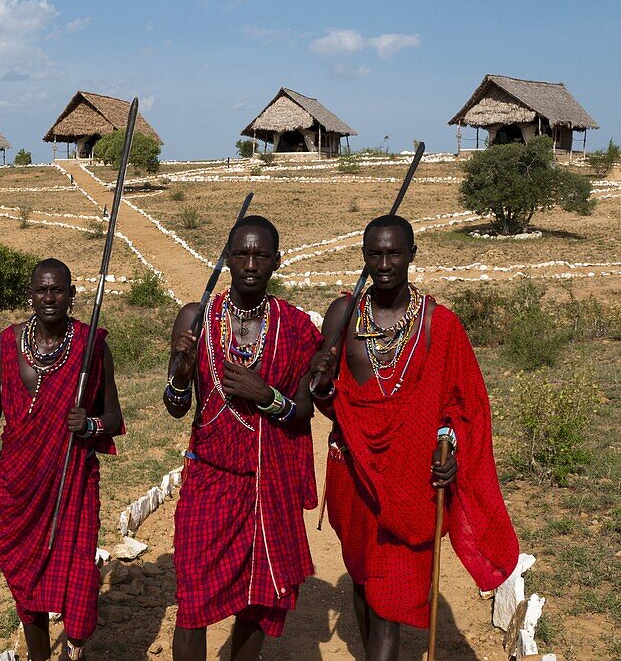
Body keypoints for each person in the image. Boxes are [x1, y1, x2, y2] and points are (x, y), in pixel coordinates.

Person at [310, 214, 520, 660]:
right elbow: (327, 401)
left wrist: (453, 449)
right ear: (364, 257)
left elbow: (465, 407)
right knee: (364, 581)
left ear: (411, 256)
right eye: (375, 253)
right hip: (353, 476)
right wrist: (322, 379)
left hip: (410, 483)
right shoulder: (343, 314)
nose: (384, 262)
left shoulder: (438, 325)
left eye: (394, 253)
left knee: (388, 600)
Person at [165, 215, 323, 661]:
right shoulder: (196, 319)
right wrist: (179, 374)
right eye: (242, 253)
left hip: (266, 484)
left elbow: (303, 412)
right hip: (209, 479)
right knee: (192, 602)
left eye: (261, 254)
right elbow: (177, 405)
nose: (251, 263)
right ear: (227, 259)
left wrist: (266, 396)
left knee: (257, 600)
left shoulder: (293, 328)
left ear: (277, 260)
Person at [0, 258, 123, 661]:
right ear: (30, 294)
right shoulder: (9, 342)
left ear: (71, 294)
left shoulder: (91, 347)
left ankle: (76, 647)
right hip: (20, 482)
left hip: (71, 481)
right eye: (41, 290)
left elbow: (114, 418)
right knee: (25, 577)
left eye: (58, 290)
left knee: (81, 582)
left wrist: (89, 427)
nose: (49, 298)